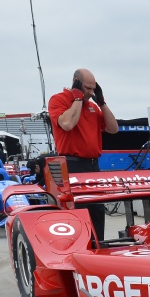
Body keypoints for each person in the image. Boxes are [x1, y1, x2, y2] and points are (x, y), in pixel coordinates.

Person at [48, 68, 119, 240]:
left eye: (93, 89)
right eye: (87, 88)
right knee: (78, 211)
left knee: (96, 209)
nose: (91, 92)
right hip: (72, 165)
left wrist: (101, 102)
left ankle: (98, 249)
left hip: (93, 165)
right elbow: (67, 123)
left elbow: (113, 128)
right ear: (76, 82)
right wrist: (78, 97)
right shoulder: (59, 100)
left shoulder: (92, 106)